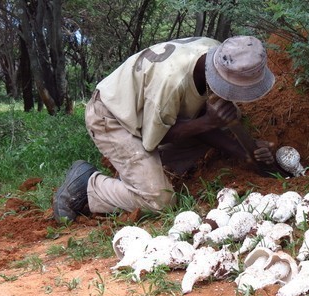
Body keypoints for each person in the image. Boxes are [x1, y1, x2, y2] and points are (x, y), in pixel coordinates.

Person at [53, 36, 276, 223]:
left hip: (148, 114)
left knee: (223, 120)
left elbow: (195, 117)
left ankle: (140, 173)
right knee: (160, 202)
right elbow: (154, 139)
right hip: (112, 117)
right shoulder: (170, 85)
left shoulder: (216, 54)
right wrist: (209, 122)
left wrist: (244, 153)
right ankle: (90, 184)